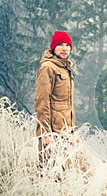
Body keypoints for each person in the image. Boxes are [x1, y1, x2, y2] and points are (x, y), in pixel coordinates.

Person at [34, 30, 77, 163]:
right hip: (52, 133)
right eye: (60, 45)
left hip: (65, 132)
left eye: (67, 45)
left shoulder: (65, 69)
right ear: (53, 48)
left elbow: (67, 104)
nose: (64, 49)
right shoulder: (47, 68)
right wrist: (46, 133)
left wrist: (73, 131)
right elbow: (42, 102)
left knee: (65, 173)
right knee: (50, 173)